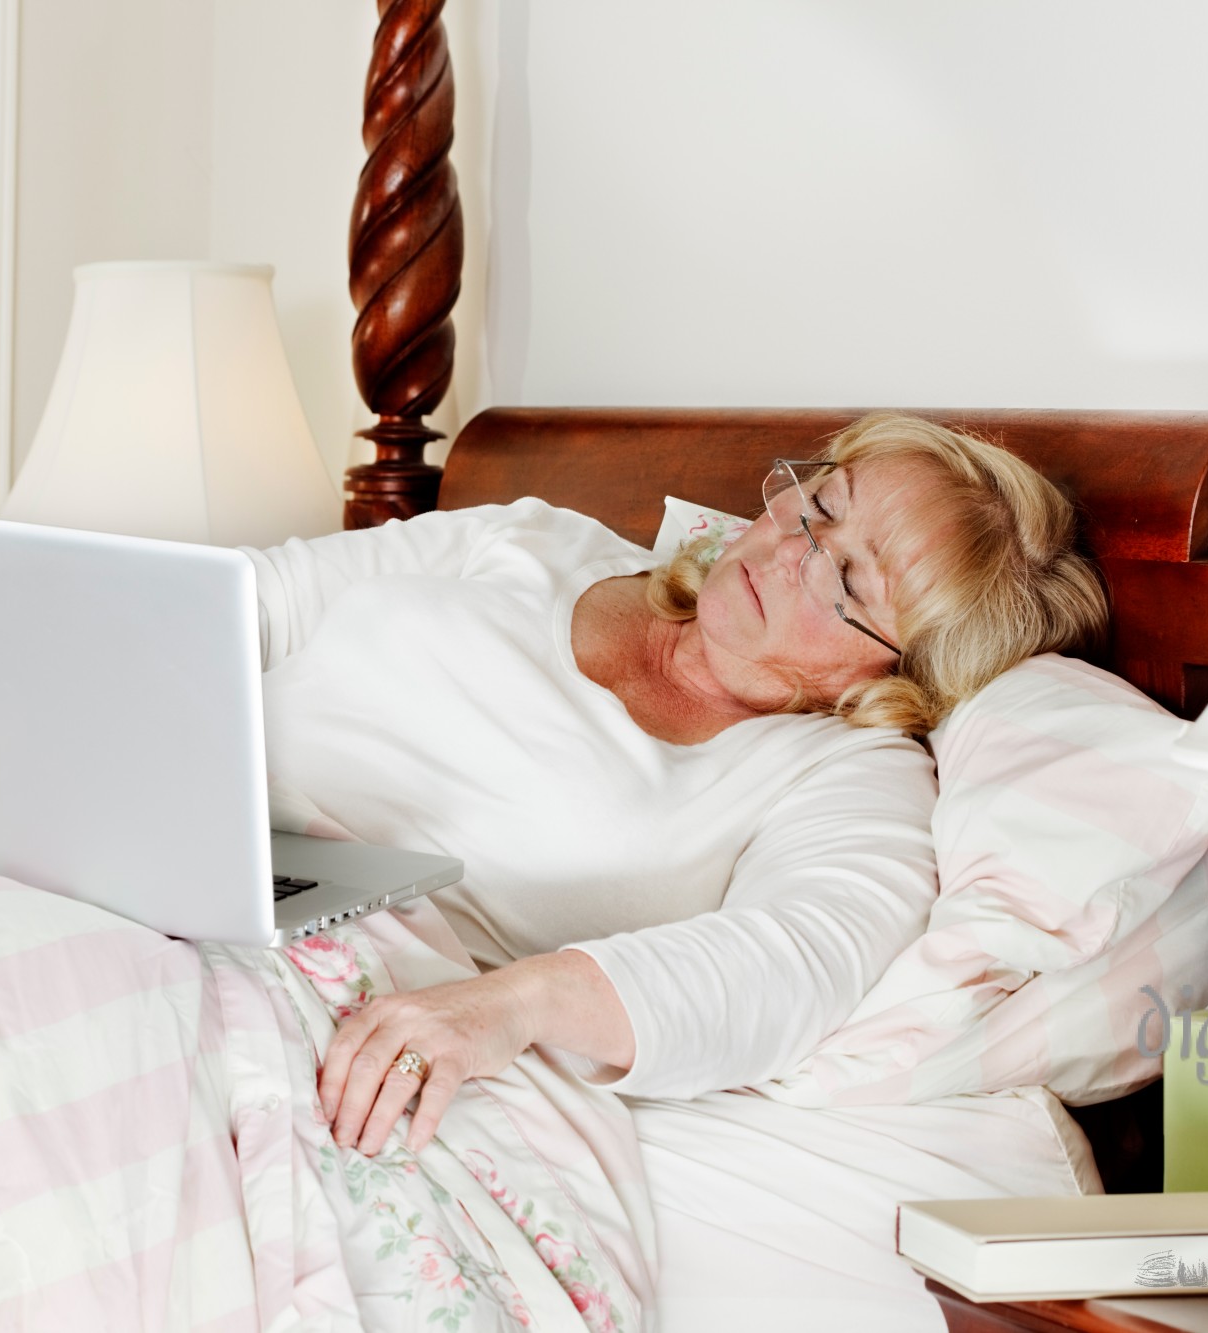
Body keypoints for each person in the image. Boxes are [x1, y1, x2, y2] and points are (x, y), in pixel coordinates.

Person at [241, 413, 1106, 1166]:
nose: (791, 549)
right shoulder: (536, 538)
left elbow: (791, 964)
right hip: (162, 828)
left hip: (301, 954)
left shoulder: (846, 770)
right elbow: (253, 598)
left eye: (847, 579)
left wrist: (514, 1001)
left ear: (908, 666)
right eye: (823, 504)